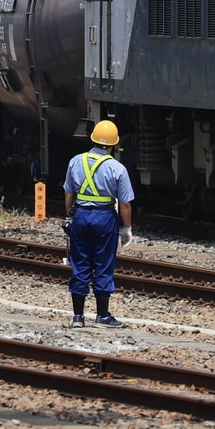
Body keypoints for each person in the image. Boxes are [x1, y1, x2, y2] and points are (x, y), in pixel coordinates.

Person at [63, 118, 135, 328]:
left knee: (80, 264)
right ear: (113, 144)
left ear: (93, 140)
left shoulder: (76, 161)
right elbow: (125, 204)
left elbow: (69, 194)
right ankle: (102, 316)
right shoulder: (117, 168)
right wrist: (127, 228)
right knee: (103, 265)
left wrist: (69, 217)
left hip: (81, 216)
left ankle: (78, 317)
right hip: (104, 218)